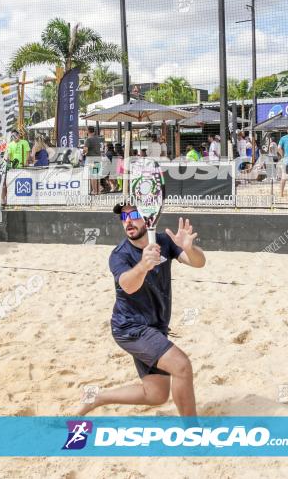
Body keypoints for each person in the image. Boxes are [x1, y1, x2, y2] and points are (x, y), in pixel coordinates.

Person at [76, 203, 206, 416]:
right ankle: (192, 433)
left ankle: (98, 398)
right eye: (124, 217)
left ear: (149, 216)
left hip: (155, 327)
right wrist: (143, 266)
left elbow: (199, 263)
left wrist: (190, 249)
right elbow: (128, 285)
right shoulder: (119, 255)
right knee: (181, 366)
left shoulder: (163, 241)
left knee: (156, 394)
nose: (128, 221)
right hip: (130, 327)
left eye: (134, 214)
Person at [83, 126, 104, 195]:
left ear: (88, 131)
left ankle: (94, 191)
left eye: (85, 130)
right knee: (97, 175)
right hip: (98, 158)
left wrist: (82, 152)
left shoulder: (88, 139)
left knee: (93, 176)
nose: (85, 131)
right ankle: (98, 191)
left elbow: (85, 149)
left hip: (92, 159)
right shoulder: (97, 139)